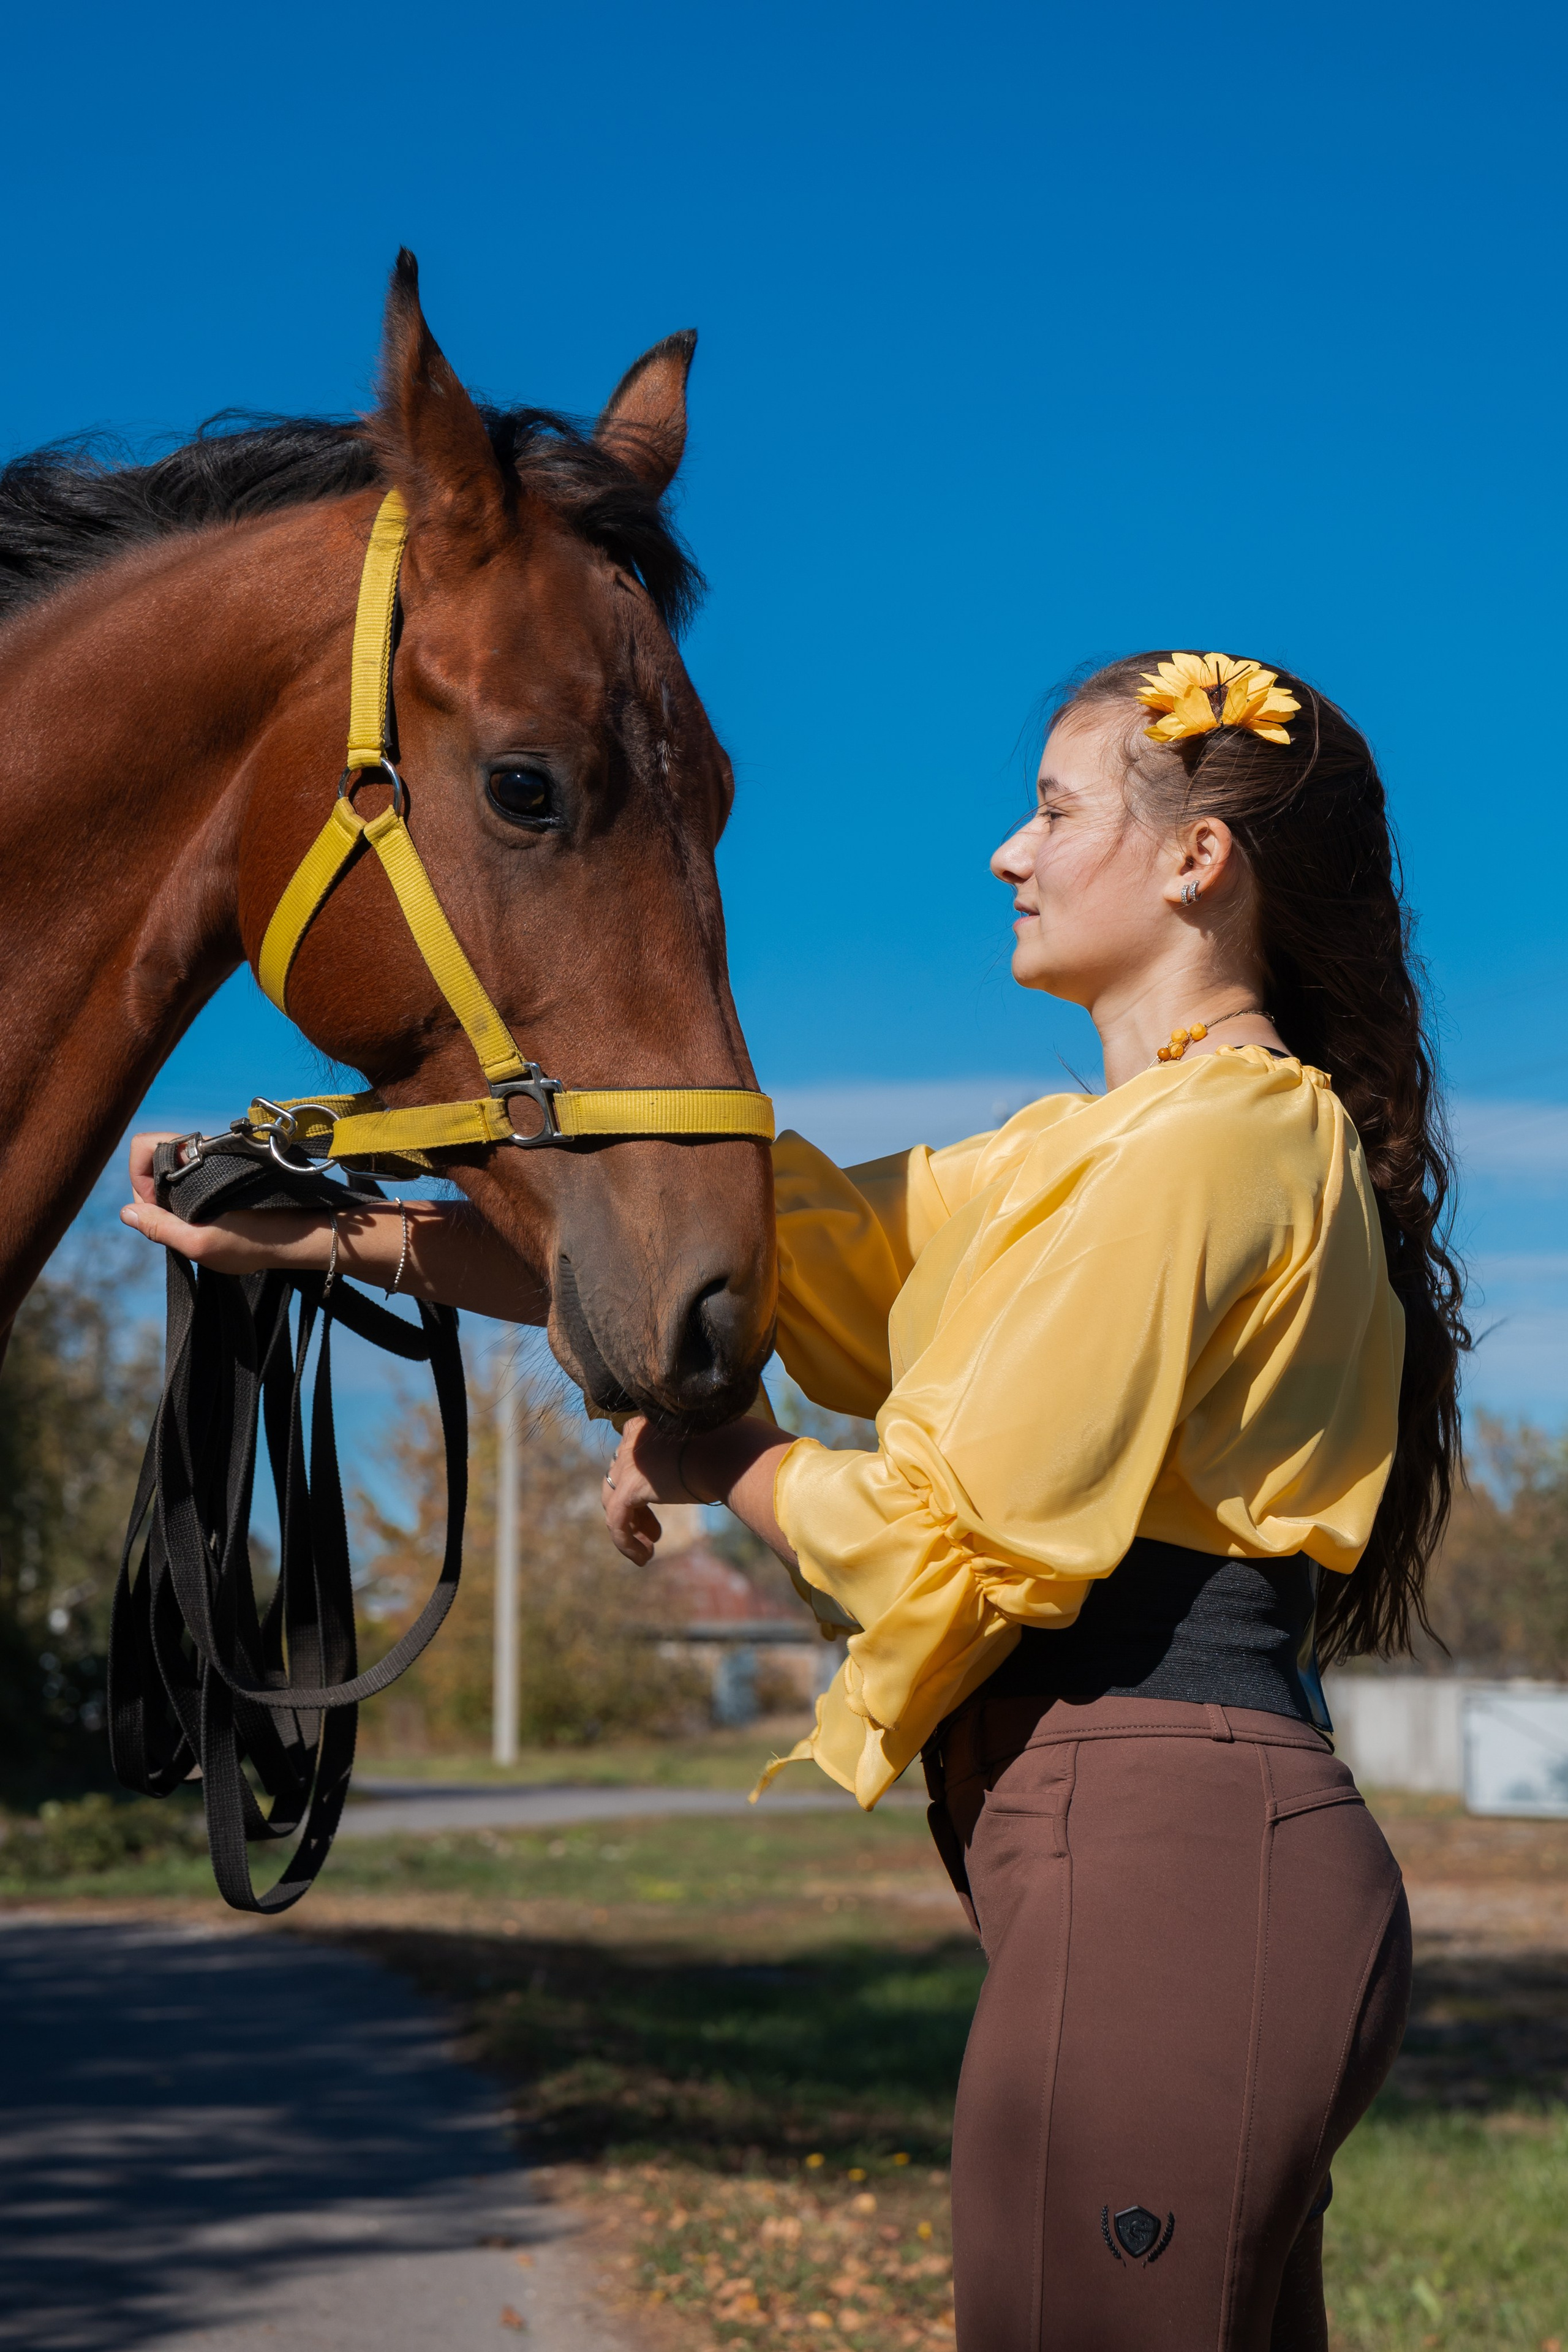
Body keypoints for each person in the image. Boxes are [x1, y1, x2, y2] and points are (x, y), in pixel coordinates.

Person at [123, 649, 1466, 2351]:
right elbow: (765, 1259)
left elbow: (948, 1529)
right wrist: (320, 1226)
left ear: (1198, 861)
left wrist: (721, 1460)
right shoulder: (1079, 1154)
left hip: (1176, 1850)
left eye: (1054, 811)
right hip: (1161, 1858)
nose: (1008, 853)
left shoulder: (1211, 1149)